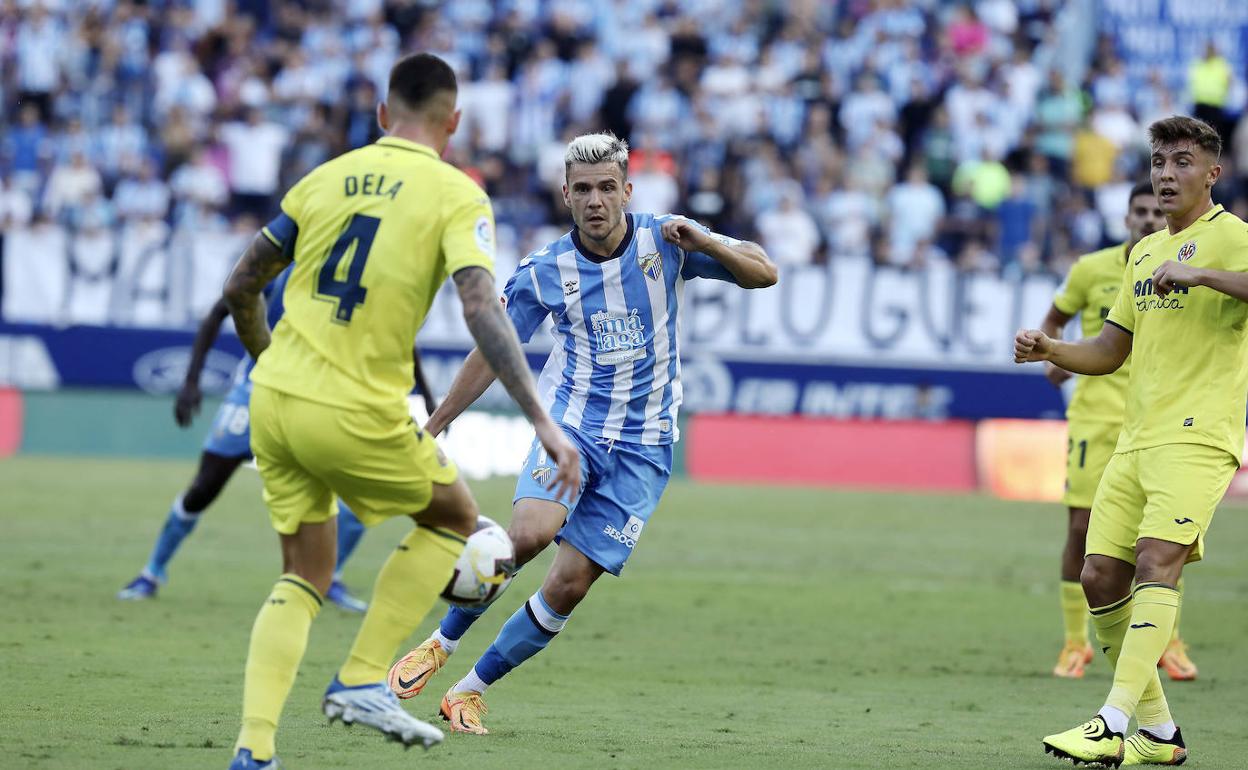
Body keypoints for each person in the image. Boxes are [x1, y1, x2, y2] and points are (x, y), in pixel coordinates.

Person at [220, 53, 580, 770]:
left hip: (274, 402)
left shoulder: (321, 180)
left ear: (383, 116)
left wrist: (270, 363)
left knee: (303, 574)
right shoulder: (457, 194)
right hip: (354, 407)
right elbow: (481, 305)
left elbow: (241, 285)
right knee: (454, 520)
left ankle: (253, 752)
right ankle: (360, 679)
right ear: (454, 123)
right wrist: (540, 416)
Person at [386, 132, 778, 734]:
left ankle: (469, 692)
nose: (595, 201)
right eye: (583, 190)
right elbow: (496, 347)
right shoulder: (547, 271)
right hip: (573, 428)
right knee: (527, 536)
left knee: (569, 586)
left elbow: (763, 272)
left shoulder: (666, 240)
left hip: (646, 446)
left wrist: (707, 241)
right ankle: (440, 643)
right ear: (565, 195)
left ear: (627, 190)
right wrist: (437, 423)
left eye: (606, 188)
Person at [1016, 116, 1248, 767]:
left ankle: (1112, 720)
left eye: (1180, 162)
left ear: (1212, 173)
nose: (1166, 174)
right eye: (1157, 162)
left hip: (1199, 438)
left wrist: (1203, 276)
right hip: (1135, 438)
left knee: (1156, 562)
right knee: (1099, 575)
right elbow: (1110, 349)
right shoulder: (1143, 255)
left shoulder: (1232, 238)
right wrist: (1051, 348)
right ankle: (1160, 732)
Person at [115, 267, 440, 613]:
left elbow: (401, 336)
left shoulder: (363, 273)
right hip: (257, 390)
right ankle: (151, 572)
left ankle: (330, 578)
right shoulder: (283, 263)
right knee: (205, 486)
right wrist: (191, 380)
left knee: (361, 487)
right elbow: (218, 311)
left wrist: (428, 397)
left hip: (323, 397)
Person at [1036, 181, 1197, 681]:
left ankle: (1167, 641)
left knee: (1165, 538)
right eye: (1140, 211)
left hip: (1156, 416)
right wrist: (1055, 355)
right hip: (1097, 414)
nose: (1149, 218)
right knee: (1081, 530)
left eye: (1154, 210)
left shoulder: (1178, 265)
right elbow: (1055, 318)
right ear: (1127, 216)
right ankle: (1074, 643)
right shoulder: (1091, 269)